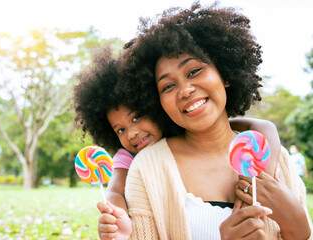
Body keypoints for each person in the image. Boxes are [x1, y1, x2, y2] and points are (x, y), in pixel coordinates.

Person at [98, 2, 312, 240]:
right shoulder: (147, 169)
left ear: (225, 74)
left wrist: (298, 227)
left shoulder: (274, 157)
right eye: (168, 86)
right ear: (157, 101)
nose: (185, 90)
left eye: (194, 71)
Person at [73, 46, 284, 239]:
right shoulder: (130, 158)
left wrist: (266, 164)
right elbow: (114, 190)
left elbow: (253, 126)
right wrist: (118, 216)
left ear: (153, 106)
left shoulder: (191, 127)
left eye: (137, 117)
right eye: (120, 130)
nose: (132, 133)